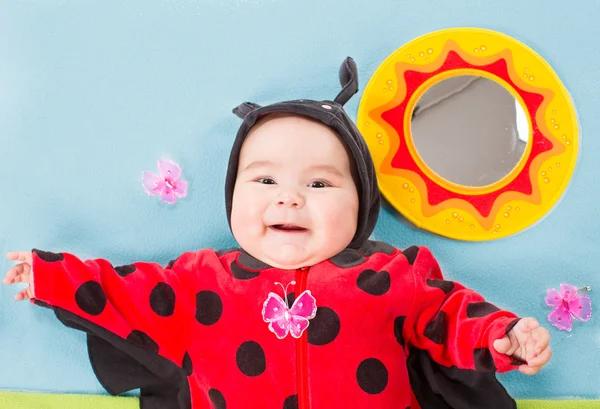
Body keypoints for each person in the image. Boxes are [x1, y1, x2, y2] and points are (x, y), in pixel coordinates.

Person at [3, 58, 551, 409]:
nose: (289, 197)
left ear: (361, 206)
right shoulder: (201, 283)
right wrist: (51, 275)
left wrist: (499, 337)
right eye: (264, 179)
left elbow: (449, 318)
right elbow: (125, 293)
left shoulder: (395, 278)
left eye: (319, 182)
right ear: (234, 198)